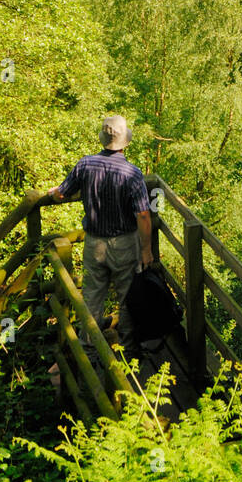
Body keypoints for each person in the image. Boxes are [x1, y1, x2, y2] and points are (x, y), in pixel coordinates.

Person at [47, 115, 152, 361]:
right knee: (127, 298)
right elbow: (144, 216)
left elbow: (62, 193)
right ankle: (128, 353)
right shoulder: (132, 173)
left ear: (103, 139)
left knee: (93, 297)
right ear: (125, 142)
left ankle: (89, 353)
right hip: (124, 244)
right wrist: (146, 250)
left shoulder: (85, 165)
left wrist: (52, 195)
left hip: (94, 243)